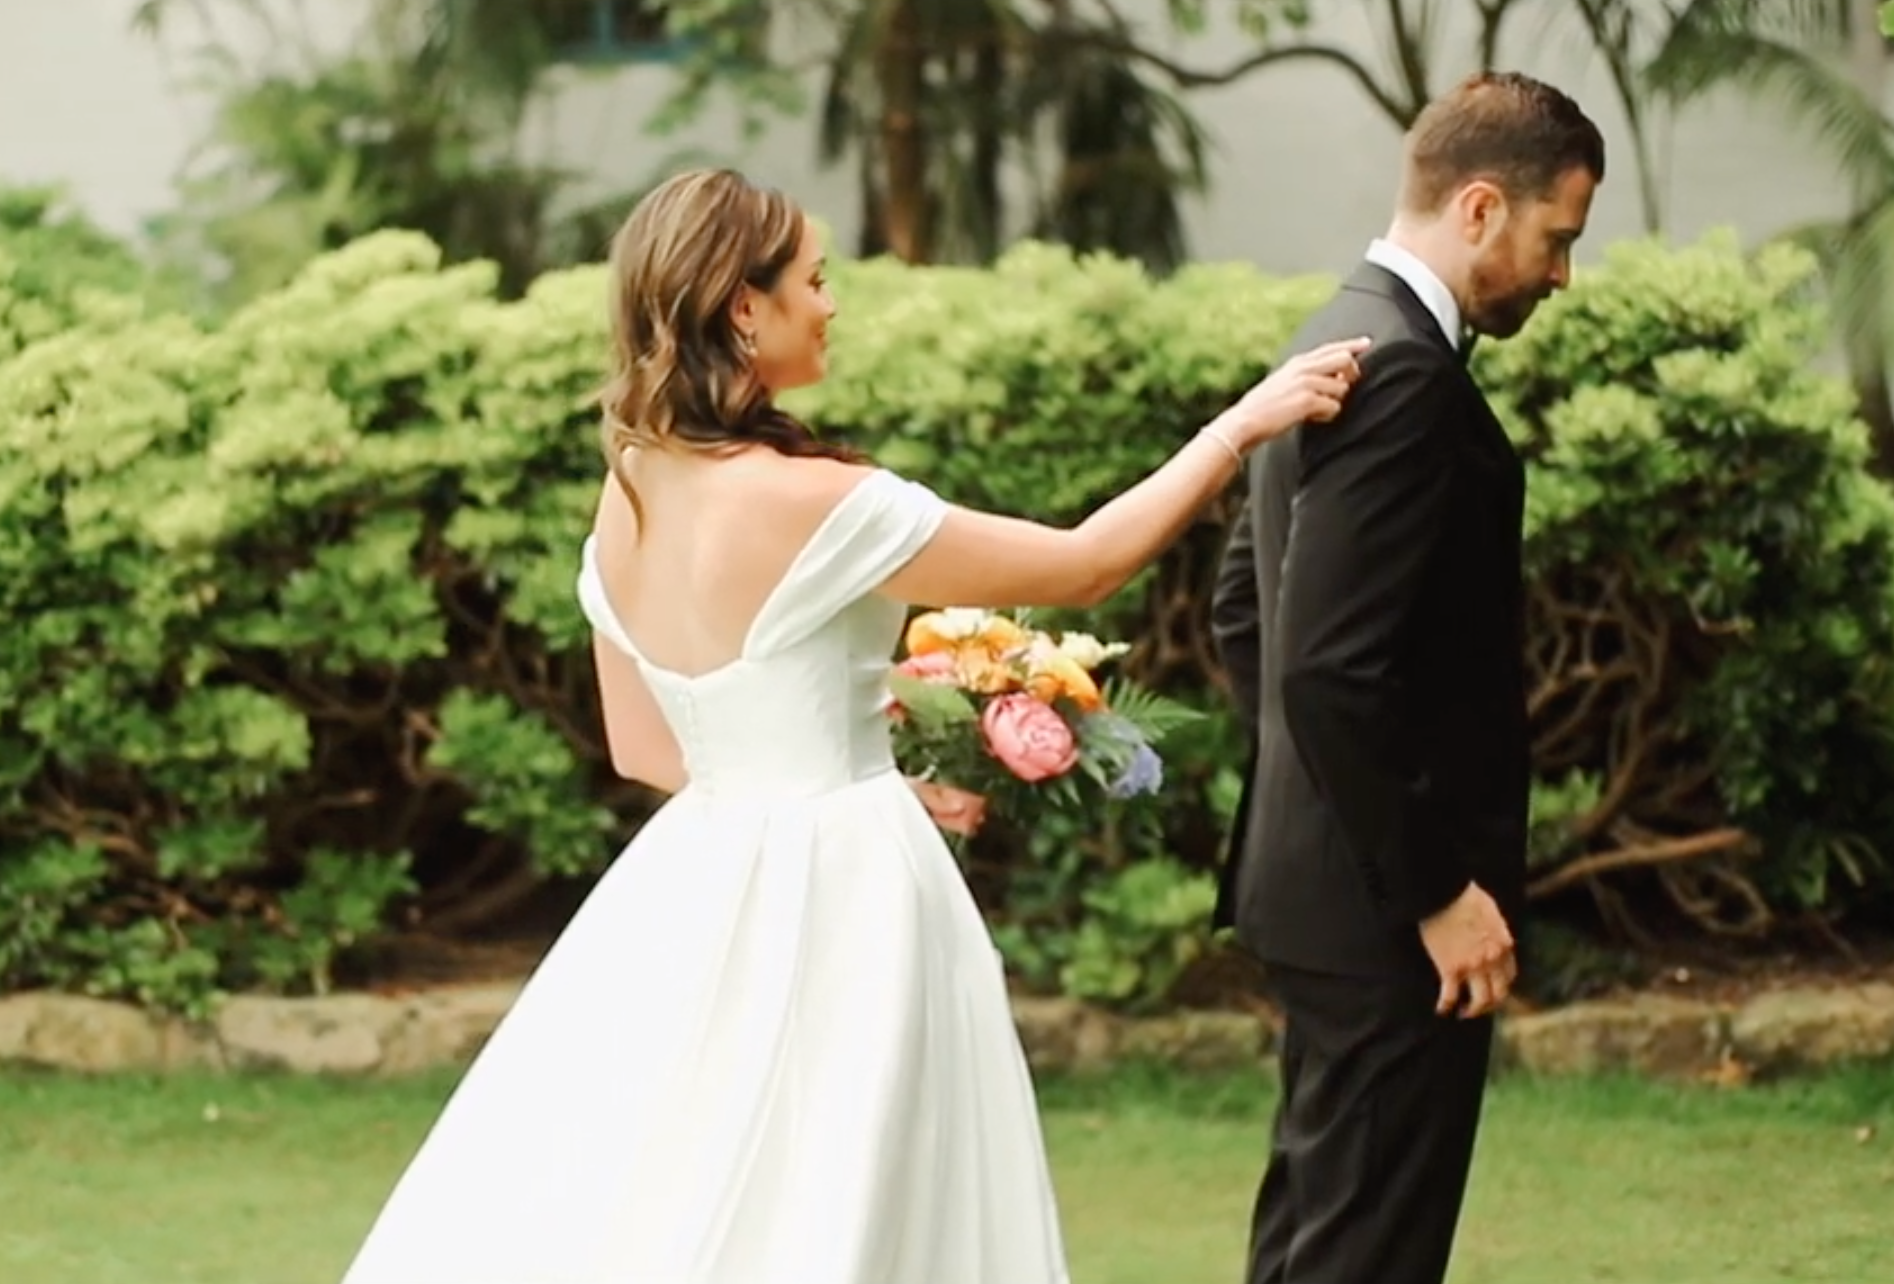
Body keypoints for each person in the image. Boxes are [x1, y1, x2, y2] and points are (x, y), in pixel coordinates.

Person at [336, 167, 1368, 1284]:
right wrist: (1241, 424)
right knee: (855, 1189)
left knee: (666, 1179)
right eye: (814, 280)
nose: (831, 303)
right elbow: (1083, 566)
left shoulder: (629, 484)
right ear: (744, 307)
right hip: (848, 891)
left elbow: (646, 748)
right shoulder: (812, 499)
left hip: (690, 883)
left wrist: (847, 763)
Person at [1208, 71, 1605, 1284]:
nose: (1560, 275)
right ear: (1481, 207)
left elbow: (1244, 614)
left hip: (1330, 891)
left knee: (1321, 1238)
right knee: (1363, 1256)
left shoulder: (1337, 329)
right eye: (1558, 238)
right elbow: (1323, 670)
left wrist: (1315, 811)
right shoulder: (1407, 377)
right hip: (1389, 917)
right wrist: (1432, 887)